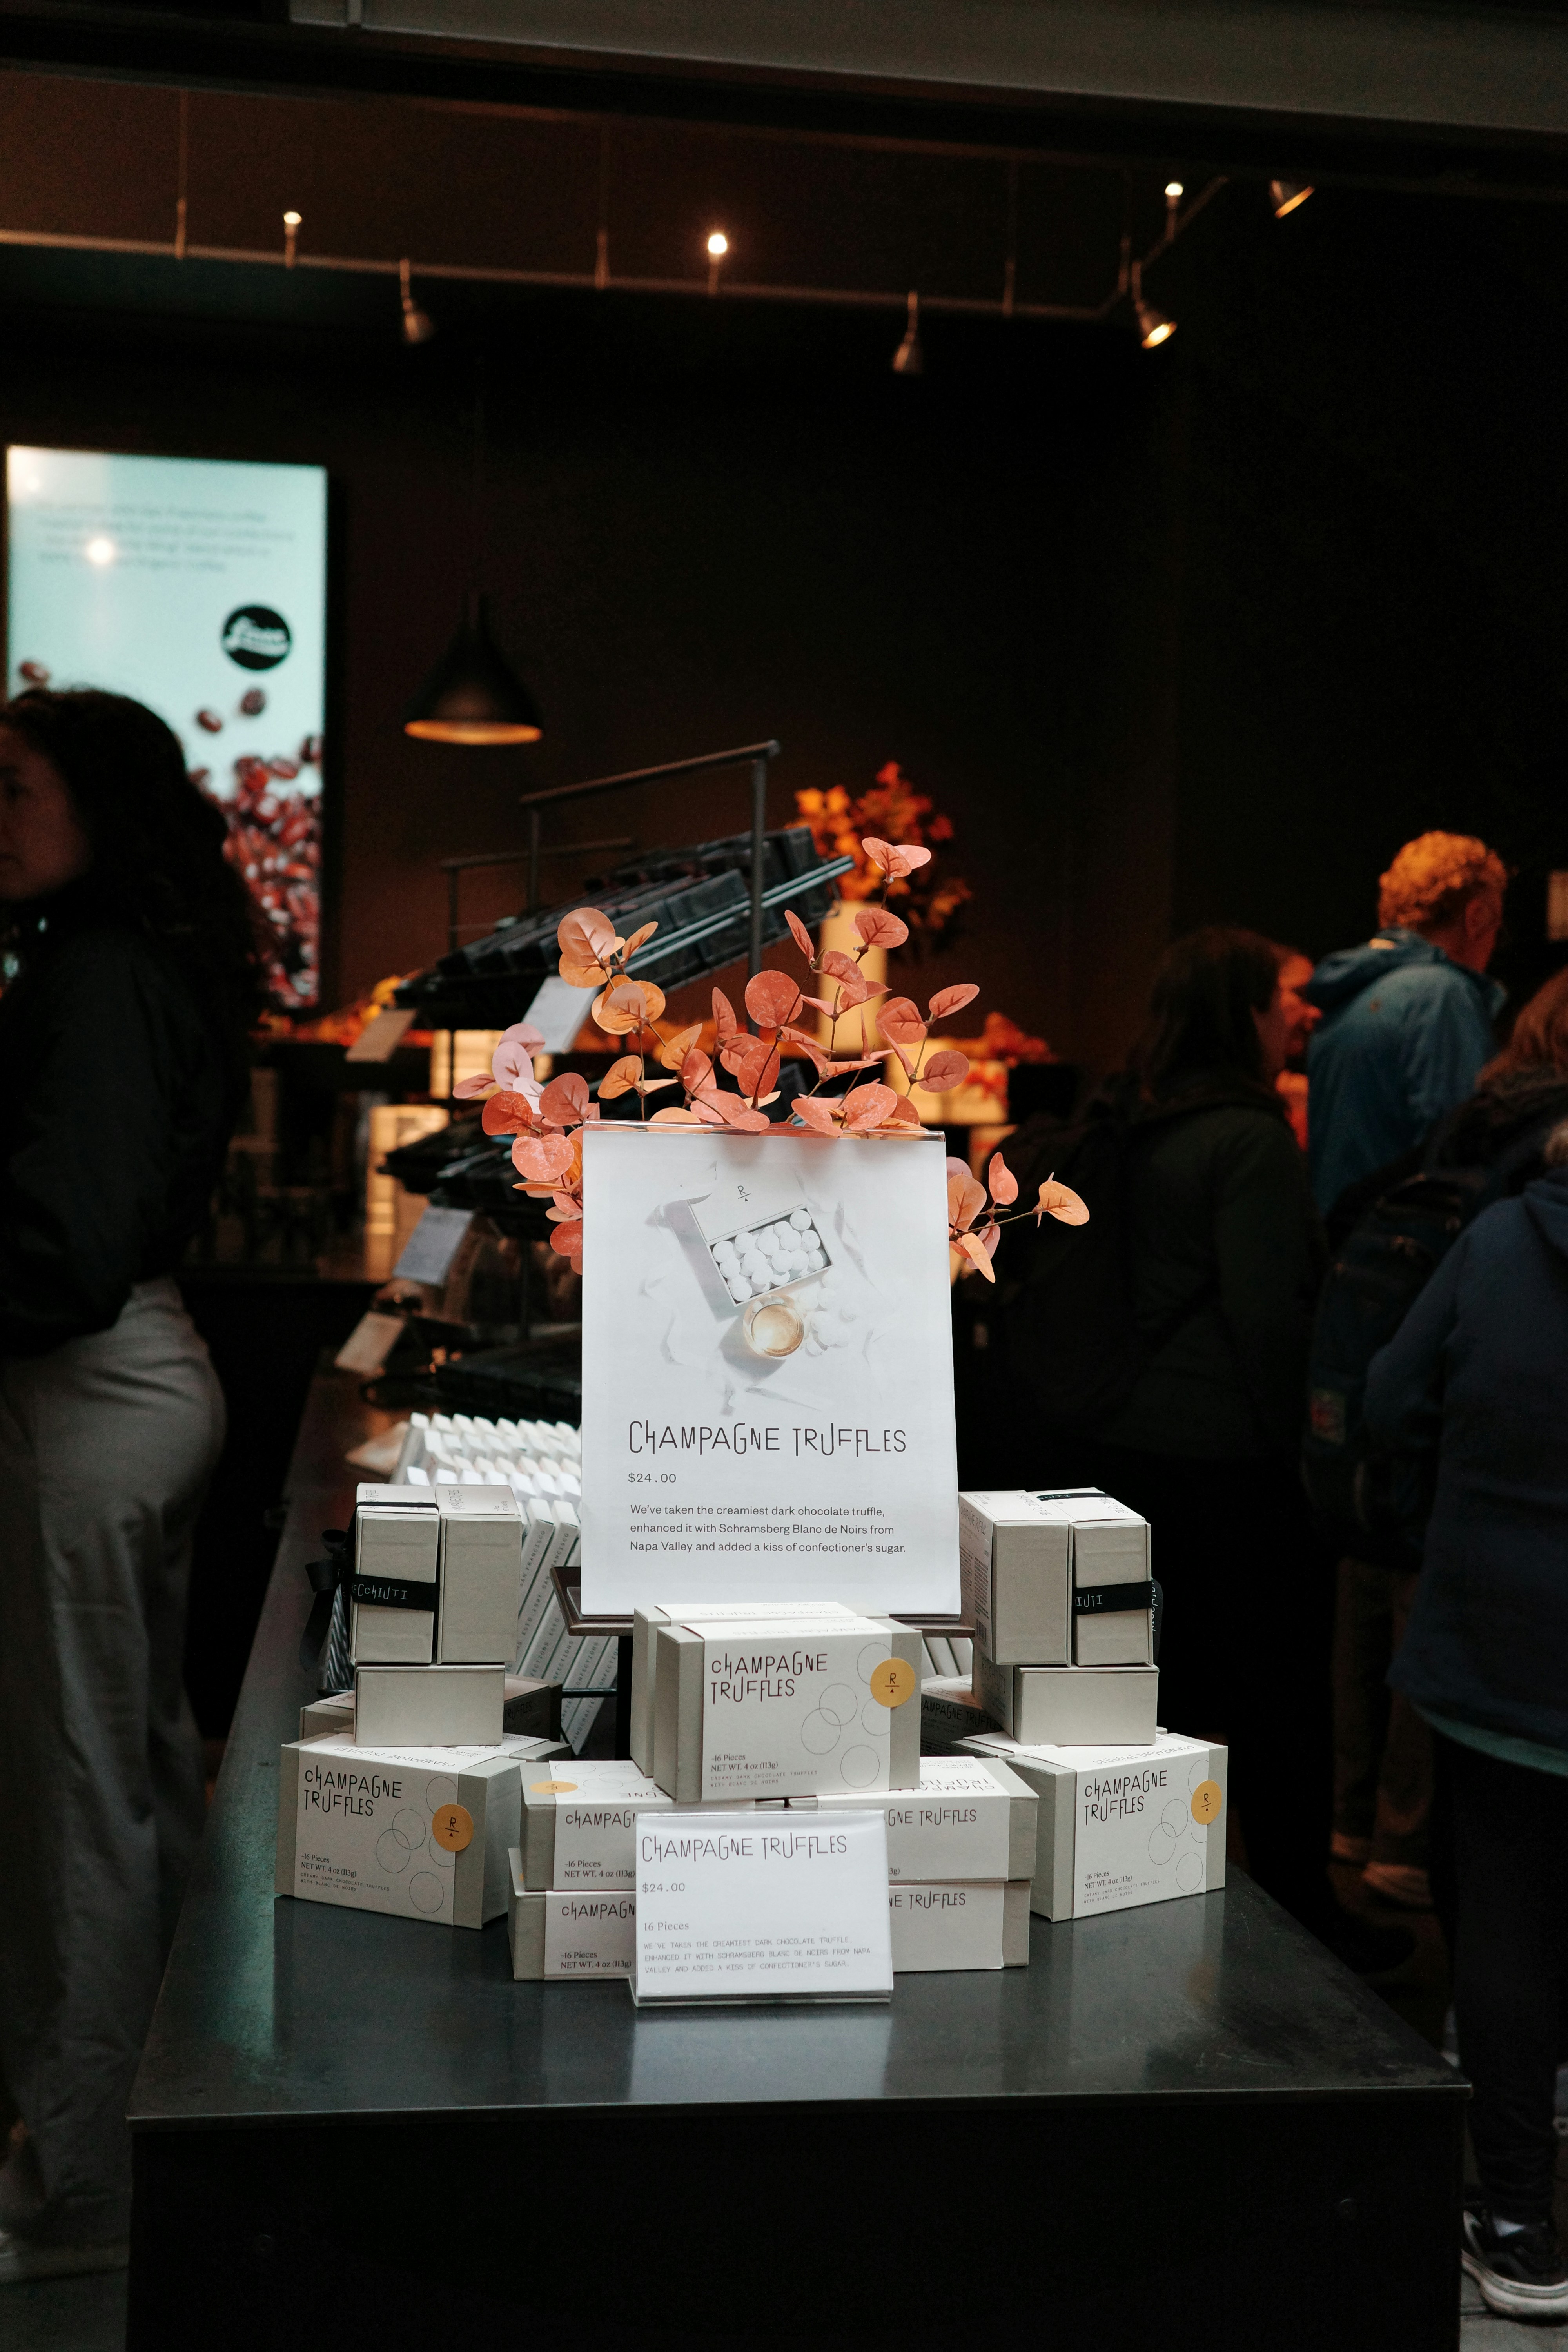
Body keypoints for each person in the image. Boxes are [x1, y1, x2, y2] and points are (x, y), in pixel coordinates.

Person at [0, 690, 261, 2283]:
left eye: (14, 786)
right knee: (134, 1786)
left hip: (87, 1389)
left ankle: (81, 2190)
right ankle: (151, 2146)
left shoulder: (91, 976)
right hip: (134, 1380)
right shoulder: (133, 962)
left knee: (77, 1803)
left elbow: (62, 1251)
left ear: (99, 800)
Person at [1075, 928, 1398, 1963]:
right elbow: (1270, 1324)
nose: (1308, 1012)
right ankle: (1305, 1921)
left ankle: (1156, 1904)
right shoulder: (1249, 1139)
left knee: (1159, 1692)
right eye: (1291, 996)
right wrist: (1308, 1461)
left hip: (1127, 1448)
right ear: (1241, 1010)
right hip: (1230, 1464)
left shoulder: (1137, 1115)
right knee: (1278, 1701)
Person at [1364, 1116, 1568, 2323]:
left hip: (1496, 1643)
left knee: (1501, 1920)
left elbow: (1391, 1397)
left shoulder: (1496, 1239)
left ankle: (1516, 2225)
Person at [1329, 966, 1568, 1918]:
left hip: (1469, 1555)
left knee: (1491, 1883)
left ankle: (1364, 1830)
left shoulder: (1475, 1123)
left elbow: (1394, 1387)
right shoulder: (1528, 1155)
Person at [1304, 830, 1507, 1218]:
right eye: (1497, 927)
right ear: (1477, 917)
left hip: (1344, 1253)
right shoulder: (1442, 995)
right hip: (1408, 1256)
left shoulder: (1344, 994)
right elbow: (1459, 1155)